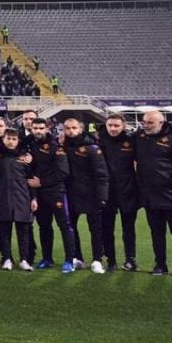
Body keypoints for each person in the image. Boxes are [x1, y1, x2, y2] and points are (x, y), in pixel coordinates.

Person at [133, 110, 172, 277]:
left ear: (161, 123)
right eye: (144, 122)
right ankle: (160, 264)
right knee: (156, 232)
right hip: (149, 196)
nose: (145, 125)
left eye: (150, 123)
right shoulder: (139, 137)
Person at [28, 118, 77, 273]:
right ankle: (47, 258)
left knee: (65, 226)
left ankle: (70, 260)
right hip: (39, 195)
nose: (37, 131)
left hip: (56, 192)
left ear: (47, 128)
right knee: (44, 227)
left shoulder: (56, 146)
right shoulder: (29, 144)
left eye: (41, 128)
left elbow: (63, 172)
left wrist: (41, 182)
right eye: (35, 128)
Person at [61, 117, 109, 274]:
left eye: (74, 128)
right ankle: (77, 258)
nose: (71, 131)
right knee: (71, 228)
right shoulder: (62, 146)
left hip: (91, 195)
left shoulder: (91, 148)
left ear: (81, 129)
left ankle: (97, 260)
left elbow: (102, 174)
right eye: (67, 128)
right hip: (70, 195)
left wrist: (102, 196)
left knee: (96, 230)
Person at [97, 114, 139, 271]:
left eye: (116, 125)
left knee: (129, 228)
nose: (113, 129)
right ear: (106, 126)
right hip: (107, 193)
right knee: (107, 228)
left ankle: (130, 259)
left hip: (128, 192)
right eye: (110, 125)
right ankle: (111, 260)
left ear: (123, 126)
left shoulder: (132, 140)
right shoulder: (99, 140)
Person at [0, 128, 35, 271]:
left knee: (23, 231)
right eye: (8, 139)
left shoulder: (24, 158)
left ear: (18, 141)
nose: (11, 142)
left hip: (22, 198)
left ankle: (24, 259)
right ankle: (6, 259)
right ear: (3, 139)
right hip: (2, 198)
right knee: (4, 231)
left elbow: (31, 180)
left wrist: (33, 198)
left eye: (14, 139)